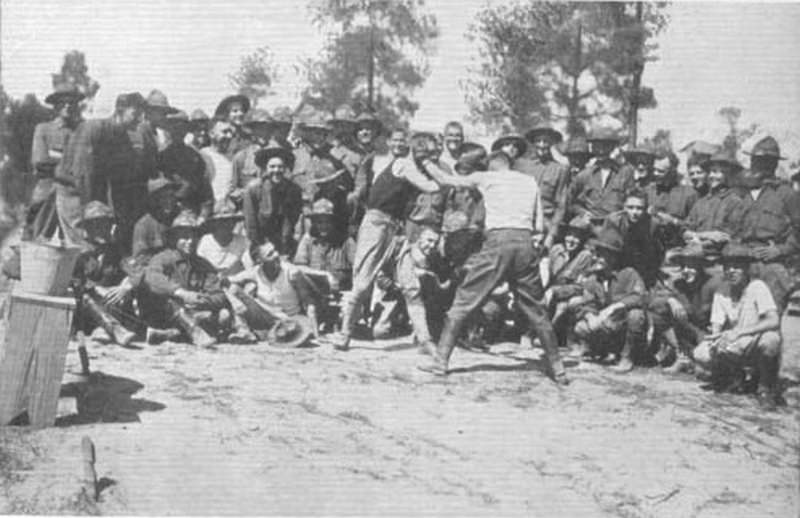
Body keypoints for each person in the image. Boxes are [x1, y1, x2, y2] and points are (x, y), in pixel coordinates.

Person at [416, 150, 568, 385]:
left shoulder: (486, 177)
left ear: (491, 166)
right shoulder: (529, 181)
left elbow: (446, 180)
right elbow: (539, 224)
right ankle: (558, 368)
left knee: (464, 300)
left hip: (498, 241)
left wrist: (425, 160)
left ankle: (440, 362)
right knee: (537, 309)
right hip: (525, 242)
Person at [331, 128, 442, 352]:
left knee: (411, 286)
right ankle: (344, 334)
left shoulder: (412, 166)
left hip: (397, 228)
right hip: (377, 224)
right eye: (427, 154)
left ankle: (425, 339)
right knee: (363, 283)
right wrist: (454, 178)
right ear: (417, 150)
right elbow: (432, 186)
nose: (430, 159)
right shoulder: (405, 164)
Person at [692, 245, 783, 410]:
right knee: (701, 354)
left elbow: (773, 320)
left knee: (771, 340)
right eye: (727, 267)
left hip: (753, 340)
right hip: (736, 343)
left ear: (746, 269)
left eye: (737, 267)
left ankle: (765, 388)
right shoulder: (721, 291)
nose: (731, 271)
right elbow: (716, 325)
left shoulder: (757, 287)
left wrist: (738, 332)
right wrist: (716, 339)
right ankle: (736, 377)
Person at [55, 92, 147, 249]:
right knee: (82, 247)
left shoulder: (121, 135)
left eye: (141, 114)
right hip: (74, 196)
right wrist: (90, 213)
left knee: (100, 245)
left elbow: (121, 177)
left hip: (95, 197)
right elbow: (83, 175)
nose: (139, 119)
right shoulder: (94, 128)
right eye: (135, 113)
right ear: (119, 110)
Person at [141, 211, 238, 348]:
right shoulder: (162, 258)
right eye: (184, 238)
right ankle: (193, 331)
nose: (190, 242)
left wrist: (200, 300)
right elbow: (152, 278)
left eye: (194, 237)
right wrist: (180, 293)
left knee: (224, 315)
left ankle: (168, 335)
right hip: (165, 313)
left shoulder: (203, 264)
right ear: (175, 239)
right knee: (170, 300)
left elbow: (219, 295)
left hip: (195, 312)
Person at [734, 137, 800, 311]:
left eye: (768, 161)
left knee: (768, 321)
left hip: (772, 265)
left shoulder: (786, 194)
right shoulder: (742, 193)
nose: (761, 165)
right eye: (757, 160)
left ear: (775, 164)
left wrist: (780, 250)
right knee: (738, 319)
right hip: (742, 263)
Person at [572, 227, 647, 373]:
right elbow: (587, 303)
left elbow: (640, 297)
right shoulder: (595, 278)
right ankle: (600, 351)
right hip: (608, 324)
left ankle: (627, 357)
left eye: (603, 254)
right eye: (597, 253)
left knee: (636, 315)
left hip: (624, 323)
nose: (598, 258)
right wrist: (590, 316)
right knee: (581, 327)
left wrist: (615, 306)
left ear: (614, 257)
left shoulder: (628, 274)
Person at [370, 226, 450, 353]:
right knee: (379, 331)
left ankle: (422, 336)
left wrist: (430, 277)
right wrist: (392, 284)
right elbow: (380, 275)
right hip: (397, 294)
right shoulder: (404, 251)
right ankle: (404, 325)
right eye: (429, 241)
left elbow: (442, 285)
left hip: (421, 299)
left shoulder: (435, 258)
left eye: (435, 242)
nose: (432, 245)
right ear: (419, 239)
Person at [72, 201, 138, 347]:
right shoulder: (78, 251)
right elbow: (74, 280)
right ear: (87, 228)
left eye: (105, 224)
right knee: (85, 296)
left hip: (111, 304)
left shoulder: (115, 249)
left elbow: (136, 271)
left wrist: (126, 286)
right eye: (95, 224)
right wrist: (96, 288)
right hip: (85, 309)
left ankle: (103, 330)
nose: (101, 229)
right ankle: (114, 329)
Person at [27, 83, 85, 240]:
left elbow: (84, 163)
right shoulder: (43, 129)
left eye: (71, 102)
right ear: (55, 106)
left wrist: (57, 162)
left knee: (78, 241)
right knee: (34, 239)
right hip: (47, 190)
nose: (67, 106)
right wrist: (67, 167)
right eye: (62, 102)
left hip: (72, 195)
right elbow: (40, 162)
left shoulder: (81, 131)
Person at [228, 242, 320, 337]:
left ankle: (263, 333)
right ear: (259, 260)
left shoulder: (291, 272)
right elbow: (228, 281)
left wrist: (314, 332)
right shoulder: (255, 272)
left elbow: (309, 304)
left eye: (275, 250)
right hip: (266, 317)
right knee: (233, 289)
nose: (276, 255)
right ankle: (243, 330)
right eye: (270, 254)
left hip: (289, 319)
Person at [649, 249, 717, 374]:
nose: (686, 270)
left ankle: (694, 359)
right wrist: (670, 300)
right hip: (687, 331)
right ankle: (682, 356)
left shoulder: (712, 285)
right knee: (659, 315)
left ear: (700, 267)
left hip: (707, 333)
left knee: (702, 370)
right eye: (684, 266)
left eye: (691, 266)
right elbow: (653, 302)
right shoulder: (679, 284)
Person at [242, 140, 303, 255]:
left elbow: (292, 220)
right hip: (261, 242)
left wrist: (286, 246)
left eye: (280, 167)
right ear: (265, 168)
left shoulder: (293, 190)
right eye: (272, 167)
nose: (276, 171)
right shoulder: (253, 189)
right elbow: (251, 224)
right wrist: (260, 247)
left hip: (285, 242)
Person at [568, 127, 635, 224]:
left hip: (617, 227)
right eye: (597, 147)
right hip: (591, 226)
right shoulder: (584, 175)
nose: (601, 151)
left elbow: (633, 201)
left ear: (612, 148)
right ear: (592, 148)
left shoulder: (625, 173)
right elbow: (569, 201)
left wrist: (621, 215)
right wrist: (582, 212)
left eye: (605, 147)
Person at [683, 149, 744, 255]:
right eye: (710, 172)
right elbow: (685, 232)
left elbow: (725, 238)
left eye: (716, 172)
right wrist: (705, 235)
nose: (711, 176)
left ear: (728, 174)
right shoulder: (700, 203)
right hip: (694, 253)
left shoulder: (735, 203)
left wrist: (697, 241)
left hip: (720, 258)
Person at [156, 111, 214, 219]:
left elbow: (206, 193)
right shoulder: (160, 158)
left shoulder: (195, 157)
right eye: (173, 128)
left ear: (186, 131)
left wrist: (202, 216)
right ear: (168, 130)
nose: (177, 132)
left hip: (192, 212)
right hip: (167, 214)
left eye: (181, 129)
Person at [603, 189, 664, 288]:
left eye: (639, 208)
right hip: (618, 261)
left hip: (641, 263)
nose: (634, 212)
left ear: (646, 209)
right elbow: (607, 251)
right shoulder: (614, 221)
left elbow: (656, 253)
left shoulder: (652, 224)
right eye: (630, 207)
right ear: (623, 207)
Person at [294, 198, 356, 293]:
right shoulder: (308, 240)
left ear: (333, 222)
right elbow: (299, 267)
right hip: (315, 294)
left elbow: (359, 268)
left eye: (327, 222)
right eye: (319, 222)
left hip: (342, 293)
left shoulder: (346, 241)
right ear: (314, 223)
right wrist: (324, 275)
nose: (323, 226)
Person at [522, 124, 569, 248]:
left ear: (552, 144)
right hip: (523, 222)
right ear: (533, 143)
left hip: (546, 224)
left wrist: (552, 235)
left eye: (546, 141)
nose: (542, 145)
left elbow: (561, 206)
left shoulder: (560, 170)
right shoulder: (524, 167)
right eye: (538, 141)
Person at [230, 109, 286, 206]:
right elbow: (233, 189)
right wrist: (242, 193)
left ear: (271, 131)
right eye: (259, 129)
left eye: (266, 129)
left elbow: (288, 186)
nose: (263, 133)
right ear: (252, 130)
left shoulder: (281, 155)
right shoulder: (241, 157)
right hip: (249, 209)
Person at [645, 149, 698, 251]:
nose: (655, 173)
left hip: (677, 249)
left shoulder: (689, 194)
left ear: (673, 171)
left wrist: (673, 221)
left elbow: (695, 226)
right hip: (649, 249)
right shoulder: (648, 191)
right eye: (654, 169)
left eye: (661, 171)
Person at [132, 177, 179, 257]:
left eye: (171, 196)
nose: (169, 201)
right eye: (163, 197)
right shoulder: (143, 225)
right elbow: (140, 257)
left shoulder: (180, 218)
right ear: (154, 200)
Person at [200, 118, 236, 206]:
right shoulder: (202, 156)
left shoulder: (234, 157)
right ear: (212, 134)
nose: (229, 136)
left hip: (231, 210)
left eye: (231, 132)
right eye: (225, 132)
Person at [214, 94, 251, 158]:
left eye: (242, 110)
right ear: (227, 114)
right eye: (235, 111)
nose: (240, 114)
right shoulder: (222, 135)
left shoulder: (247, 135)